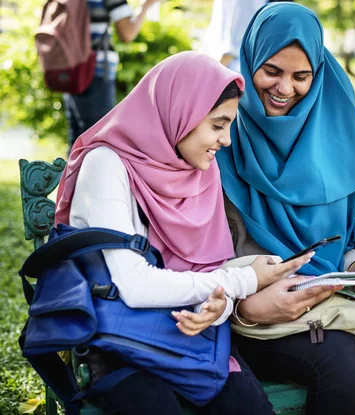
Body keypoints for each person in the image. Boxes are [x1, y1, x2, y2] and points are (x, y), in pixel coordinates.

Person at [54, 51, 311, 415]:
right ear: (181, 112)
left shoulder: (200, 173)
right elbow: (135, 286)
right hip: (122, 345)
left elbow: (211, 275)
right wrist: (242, 281)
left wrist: (217, 307)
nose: (226, 140)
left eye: (229, 126)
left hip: (195, 345)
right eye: (218, 125)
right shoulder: (107, 164)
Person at [216, 4, 355, 415]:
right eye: (271, 71)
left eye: (301, 76)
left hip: (333, 304)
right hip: (247, 316)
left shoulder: (332, 135)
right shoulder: (222, 137)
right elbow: (196, 252)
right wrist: (250, 303)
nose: (284, 88)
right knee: (343, 362)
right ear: (249, 62)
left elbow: (341, 236)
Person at [64, 0, 162, 152]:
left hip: (70, 70)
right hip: (95, 72)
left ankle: (71, 175)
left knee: (77, 140)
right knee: (99, 140)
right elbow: (127, 33)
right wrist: (145, 7)